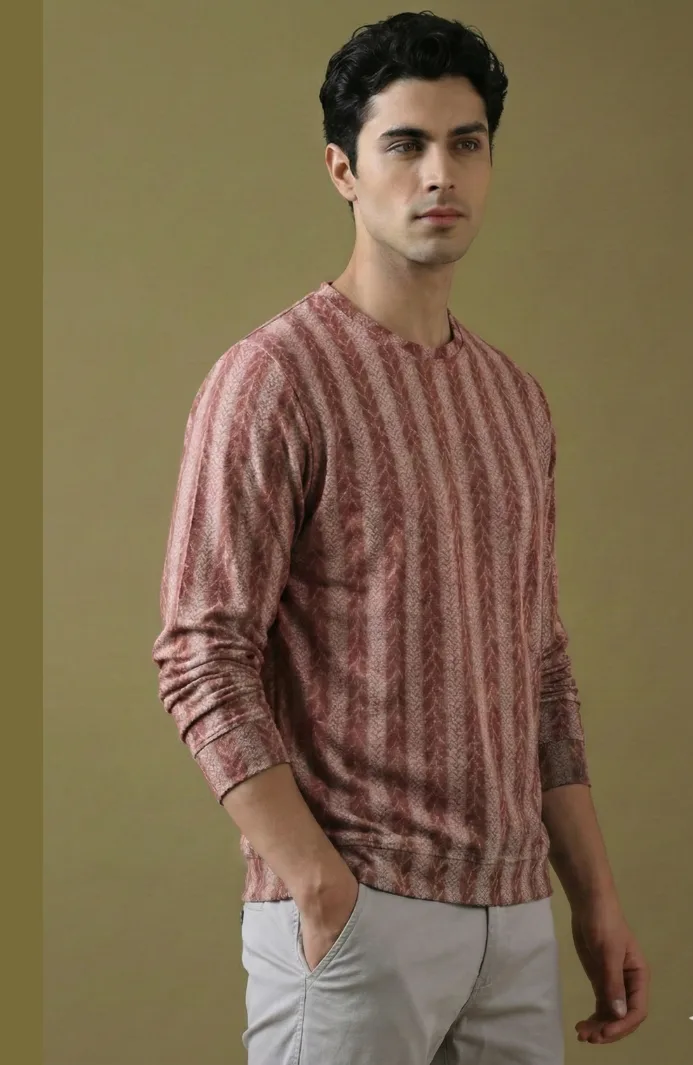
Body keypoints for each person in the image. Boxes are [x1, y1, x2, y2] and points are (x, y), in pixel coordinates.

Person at [152, 10, 649, 1064]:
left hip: (515, 923)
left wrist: (592, 898)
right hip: (357, 909)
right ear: (343, 169)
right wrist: (315, 881)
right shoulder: (273, 378)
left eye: (466, 143)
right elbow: (201, 653)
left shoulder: (515, 399)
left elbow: (540, 666)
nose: (439, 174)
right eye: (405, 144)